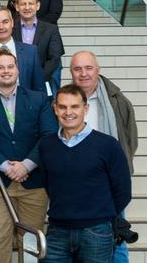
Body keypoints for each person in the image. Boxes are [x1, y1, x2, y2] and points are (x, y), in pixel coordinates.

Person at [0, 49, 58, 263]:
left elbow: (48, 135)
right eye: (0, 67)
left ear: (18, 69)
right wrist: (6, 167)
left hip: (33, 183)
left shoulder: (39, 99)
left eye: (10, 66)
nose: (5, 71)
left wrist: (26, 165)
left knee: (30, 243)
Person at [39, 84, 131, 263]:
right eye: (63, 107)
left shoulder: (108, 145)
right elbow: (49, 184)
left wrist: (99, 216)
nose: (68, 112)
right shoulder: (45, 145)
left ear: (85, 108)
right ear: (55, 109)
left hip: (96, 232)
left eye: (75, 106)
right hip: (58, 231)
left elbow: (123, 192)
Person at [70, 50, 138, 262]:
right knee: (80, 240)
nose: (83, 74)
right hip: (74, 183)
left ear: (98, 70)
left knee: (117, 237)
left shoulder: (118, 101)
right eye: (77, 69)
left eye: (88, 68)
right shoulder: (64, 101)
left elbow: (130, 138)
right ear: (71, 72)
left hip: (110, 181)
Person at [12, 0, 64, 94]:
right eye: (23, 4)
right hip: (15, 83)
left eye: (31, 3)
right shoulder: (10, 29)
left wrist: (37, 78)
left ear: (38, 6)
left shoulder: (51, 29)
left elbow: (54, 58)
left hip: (44, 81)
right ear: (17, 7)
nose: (27, 7)